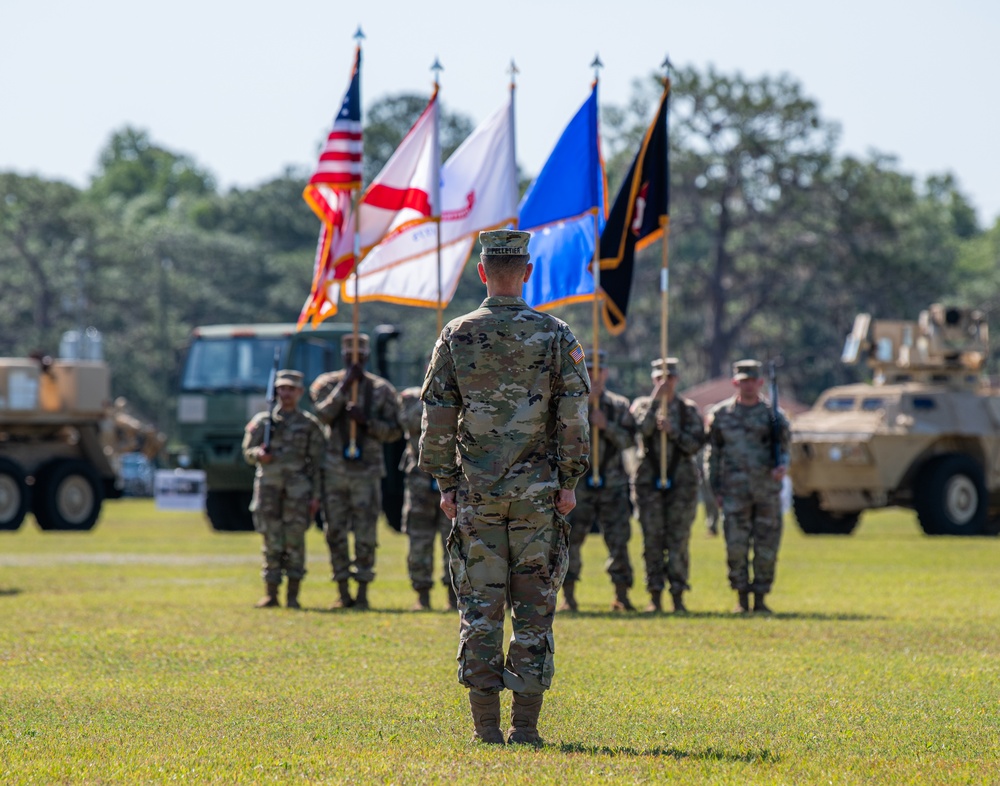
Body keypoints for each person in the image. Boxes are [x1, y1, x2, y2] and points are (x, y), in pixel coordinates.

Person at [419, 229, 590, 746]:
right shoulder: (556, 333)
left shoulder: (456, 334)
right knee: (534, 609)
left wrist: (447, 484)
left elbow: (437, 419)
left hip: (476, 496)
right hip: (539, 497)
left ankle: (487, 730)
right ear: (528, 272)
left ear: (482, 272)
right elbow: (574, 417)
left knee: (481, 610)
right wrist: (569, 480)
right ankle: (526, 729)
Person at [310, 333, 403, 611]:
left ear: (366, 357)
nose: (355, 362)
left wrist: (367, 423)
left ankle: (362, 590)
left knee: (365, 533)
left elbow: (394, 431)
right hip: (335, 470)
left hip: (367, 472)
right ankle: (342, 589)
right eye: (349, 357)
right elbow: (323, 415)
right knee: (335, 532)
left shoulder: (382, 390)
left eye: (359, 358)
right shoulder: (326, 384)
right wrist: (344, 386)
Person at [705, 359, 791, 614]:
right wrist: (715, 489)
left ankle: (761, 598)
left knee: (766, 548)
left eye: (752, 381)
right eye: (743, 381)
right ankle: (742, 598)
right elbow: (713, 454)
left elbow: (785, 449)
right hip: (734, 493)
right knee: (736, 547)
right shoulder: (722, 415)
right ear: (735, 383)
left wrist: (782, 467)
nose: (748, 385)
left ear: (760, 382)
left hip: (766, 492)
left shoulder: (774, 416)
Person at [559, 349, 637, 613]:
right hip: (578, 484)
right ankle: (568, 597)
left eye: (598, 370)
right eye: (588, 370)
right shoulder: (570, 403)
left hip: (613, 484)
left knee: (618, 540)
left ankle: (622, 594)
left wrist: (606, 426)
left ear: (606, 372)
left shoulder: (619, 405)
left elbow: (629, 441)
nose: (594, 375)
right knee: (570, 541)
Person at [241, 370, 325, 609]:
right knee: (271, 541)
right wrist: (259, 454)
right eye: (282, 389)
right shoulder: (263, 422)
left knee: (295, 542)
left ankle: (293, 596)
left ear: (300, 392)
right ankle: (271, 593)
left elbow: (317, 464)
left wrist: (316, 496)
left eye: (291, 389)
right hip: (268, 490)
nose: (286, 393)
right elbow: (247, 452)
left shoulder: (309, 425)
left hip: (297, 493)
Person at [630, 358, 706, 613]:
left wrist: (674, 431)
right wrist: (655, 401)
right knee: (652, 539)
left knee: (678, 540)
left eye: (670, 378)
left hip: (682, 482)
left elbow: (696, 444)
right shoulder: (643, 405)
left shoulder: (687, 409)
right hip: (649, 480)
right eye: (660, 378)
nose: (665, 382)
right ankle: (654, 595)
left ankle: (678, 595)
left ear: (677, 379)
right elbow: (640, 429)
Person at [398, 383, 456, 612]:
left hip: (453, 479)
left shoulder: (461, 392)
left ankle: (453, 597)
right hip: (420, 482)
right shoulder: (410, 398)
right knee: (419, 540)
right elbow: (409, 424)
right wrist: (429, 397)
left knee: (453, 541)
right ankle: (422, 595)